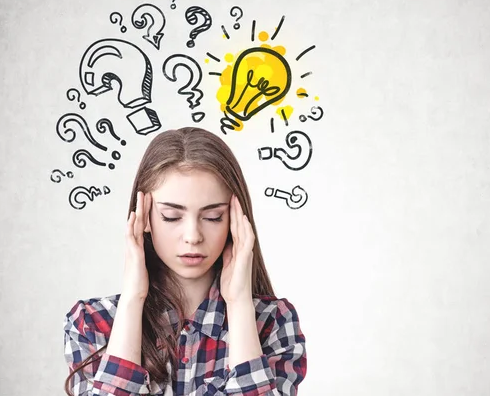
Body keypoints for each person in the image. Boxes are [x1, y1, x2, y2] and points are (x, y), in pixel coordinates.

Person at [62, 127, 307, 395]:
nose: (193, 236)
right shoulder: (92, 323)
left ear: (236, 220)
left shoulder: (272, 322)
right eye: (171, 216)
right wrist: (133, 299)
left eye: (213, 216)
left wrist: (239, 304)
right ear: (144, 218)